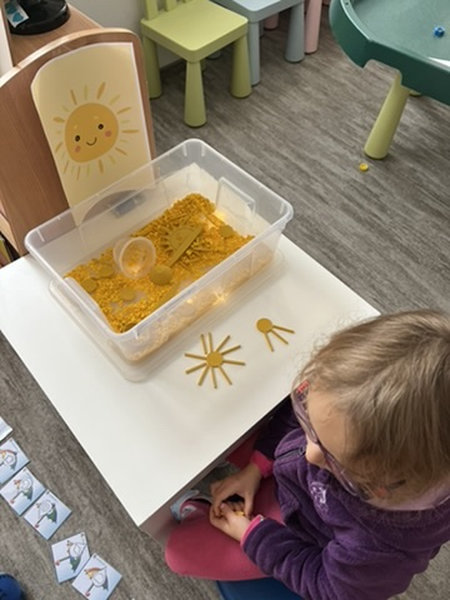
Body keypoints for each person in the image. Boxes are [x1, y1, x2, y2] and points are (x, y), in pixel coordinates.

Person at [165, 309, 450, 600]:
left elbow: (326, 587)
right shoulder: (341, 405)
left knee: (178, 552)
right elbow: (312, 418)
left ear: (383, 487)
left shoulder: (380, 552)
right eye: (308, 420)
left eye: (335, 459)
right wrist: (256, 467)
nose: (310, 454)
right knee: (218, 419)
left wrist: (252, 534)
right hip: (291, 481)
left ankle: (200, 509)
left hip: (302, 532)